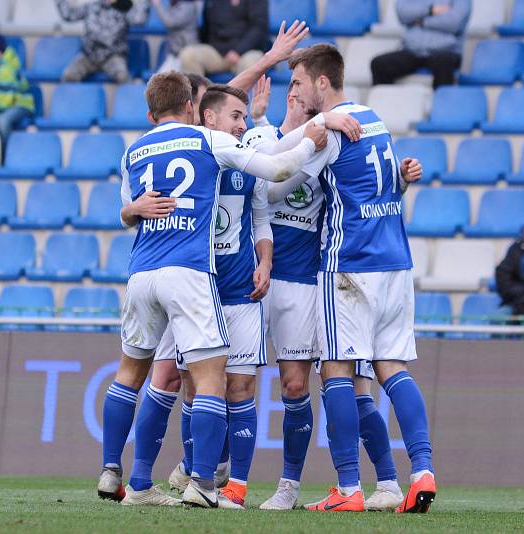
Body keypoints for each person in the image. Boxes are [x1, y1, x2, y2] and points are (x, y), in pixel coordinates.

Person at [98, 70, 326, 509]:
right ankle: (203, 482)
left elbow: (128, 212)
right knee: (207, 379)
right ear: (191, 109)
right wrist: (311, 141)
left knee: (131, 374)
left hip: (142, 273)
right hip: (190, 274)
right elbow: (278, 167)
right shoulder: (207, 142)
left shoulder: (133, 149)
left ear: (150, 112)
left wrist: (131, 210)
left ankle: (116, 473)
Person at [245, 82, 407, 512]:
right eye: (292, 91)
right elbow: (268, 186)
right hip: (259, 276)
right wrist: (301, 125)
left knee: (343, 384)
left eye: (303, 91)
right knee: (245, 381)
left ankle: (381, 481)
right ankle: (220, 476)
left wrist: (401, 181)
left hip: (312, 278)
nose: (297, 97)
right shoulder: (264, 138)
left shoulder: (335, 142)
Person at [286, 44, 432, 514]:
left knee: (335, 372)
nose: (296, 91)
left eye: (299, 83)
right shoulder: (374, 120)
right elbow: (385, 183)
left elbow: (276, 171)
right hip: (396, 262)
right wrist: (405, 178)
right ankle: (422, 471)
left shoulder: (329, 130)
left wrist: (316, 126)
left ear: (322, 83)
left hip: (349, 263)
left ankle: (348, 487)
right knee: (393, 367)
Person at [370, 0, 471, 88]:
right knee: (379, 64)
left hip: (446, 51)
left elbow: (453, 22)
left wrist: (422, 21)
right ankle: (386, 106)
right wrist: (430, 10)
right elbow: (402, 13)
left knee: (443, 62)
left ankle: (442, 107)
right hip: (412, 51)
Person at [56, 0, 149, 83]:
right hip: (88, 55)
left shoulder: (125, 6)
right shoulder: (92, 6)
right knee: (68, 75)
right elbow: (69, 15)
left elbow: (139, 20)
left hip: (113, 56)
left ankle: (128, 101)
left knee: (123, 76)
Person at [180, 0, 268, 78]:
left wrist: (238, 51)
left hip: (246, 52)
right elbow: (207, 28)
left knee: (251, 63)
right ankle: (199, 95)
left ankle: (245, 97)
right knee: (188, 55)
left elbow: (259, 28)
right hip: (218, 52)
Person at [151, 0, 201, 73]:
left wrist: (157, 4)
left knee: (170, 81)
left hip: (186, 54)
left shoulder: (187, 5)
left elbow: (170, 22)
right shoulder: (176, 4)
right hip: (176, 54)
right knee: (160, 80)